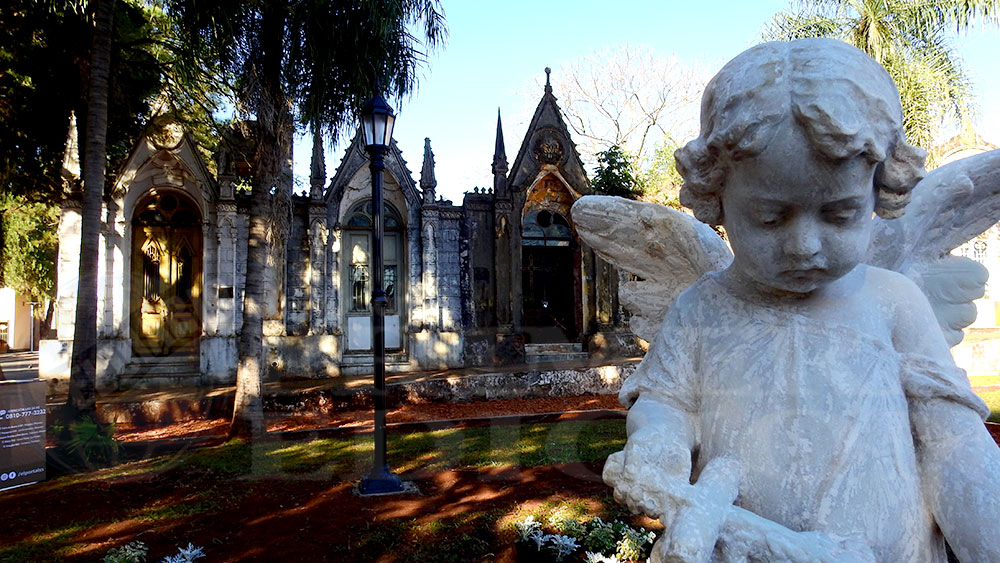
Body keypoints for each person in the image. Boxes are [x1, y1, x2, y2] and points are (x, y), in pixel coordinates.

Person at [605, 38, 1000, 562]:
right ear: (716, 198)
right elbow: (668, 402)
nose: (805, 246)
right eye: (769, 217)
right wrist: (659, 438)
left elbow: (954, 447)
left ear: (879, 192)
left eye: (840, 215)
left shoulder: (893, 302)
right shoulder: (702, 309)